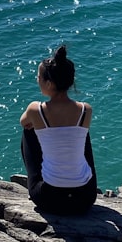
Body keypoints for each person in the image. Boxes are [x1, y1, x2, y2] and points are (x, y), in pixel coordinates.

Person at [19, 45, 97, 214]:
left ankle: (37, 179)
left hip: (49, 200)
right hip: (85, 199)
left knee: (28, 130)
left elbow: (23, 122)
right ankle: (78, 179)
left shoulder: (35, 109)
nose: (37, 80)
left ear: (48, 82)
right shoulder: (86, 109)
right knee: (81, 132)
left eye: (39, 77)